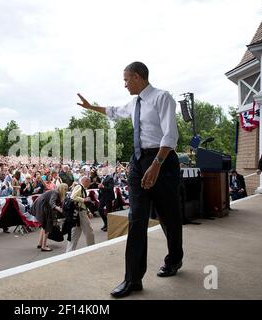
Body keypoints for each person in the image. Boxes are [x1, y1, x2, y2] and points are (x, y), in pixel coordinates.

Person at [77, 61, 183, 297]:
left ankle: (175, 259)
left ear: (137, 77)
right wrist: (90, 107)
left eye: (126, 79)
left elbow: (170, 134)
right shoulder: (134, 103)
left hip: (162, 161)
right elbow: (113, 111)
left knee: (169, 217)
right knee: (136, 218)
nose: (124, 84)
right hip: (138, 161)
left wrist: (157, 163)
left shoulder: (162, 97)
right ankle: (133, 279)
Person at [30, 183, 69, 252]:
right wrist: (58, 208)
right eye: (66, 189)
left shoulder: (55, 192)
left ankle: (40, 244)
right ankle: (44, 246)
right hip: (43, 207)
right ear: (63, 189)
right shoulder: (55, 192)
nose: (66, 191)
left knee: (44, 226)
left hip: (41, 206)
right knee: (47, 226)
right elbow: (52, 203)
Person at [66, 177, 95, 252]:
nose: (89, 184)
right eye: (89, 182)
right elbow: (73, 197)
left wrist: (88, 211)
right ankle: (91, 248)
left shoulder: (80, 187)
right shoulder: (79, 187)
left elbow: (80, 202)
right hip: (80, 213)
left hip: (79, 212)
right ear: (85, 181)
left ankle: (69, 251)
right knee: (89, 232)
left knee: (75, 233)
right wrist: (84, 199)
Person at [98, 168, 115, 232]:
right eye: (101, 171)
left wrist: (102, 187)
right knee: (99, 209)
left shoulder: (110, 178)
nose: (101, 172)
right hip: (103, 196)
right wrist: (100, 187)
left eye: (102, 171)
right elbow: (102, 186)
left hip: (108, 197)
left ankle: (109, 226)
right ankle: (106, 223)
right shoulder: (102, 178)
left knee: (109, 212)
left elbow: (111, 188)